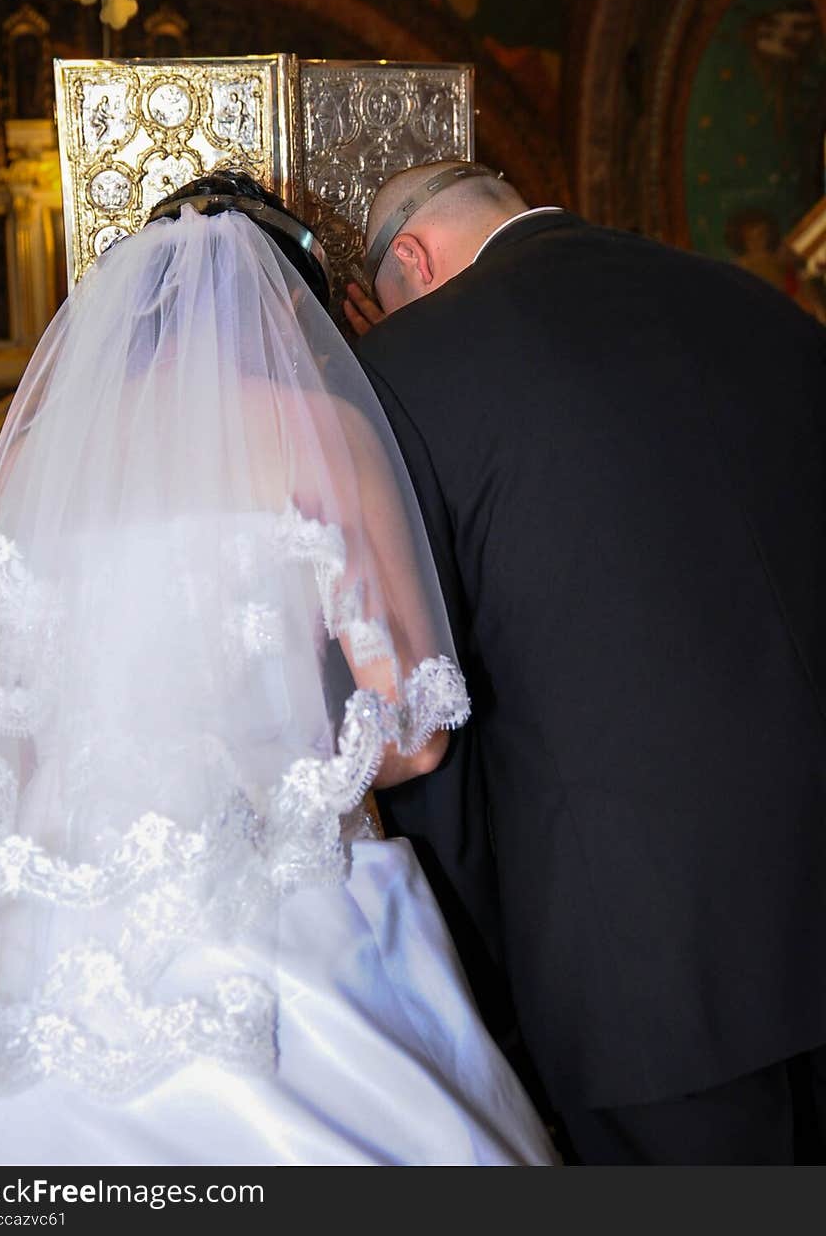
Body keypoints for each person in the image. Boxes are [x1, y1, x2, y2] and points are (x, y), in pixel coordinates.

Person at [0, 170, 557, 1168]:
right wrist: (294, 743)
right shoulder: (319, 434)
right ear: (287, 311)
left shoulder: (20, 475)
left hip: (44, 926)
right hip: (274, 889)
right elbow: (417, 731)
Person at [352, 159, 826, 1165]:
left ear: (410, 258)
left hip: (640, 960)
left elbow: (432, 697)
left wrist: (485, 977)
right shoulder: (761, 307)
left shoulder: (411, 365)